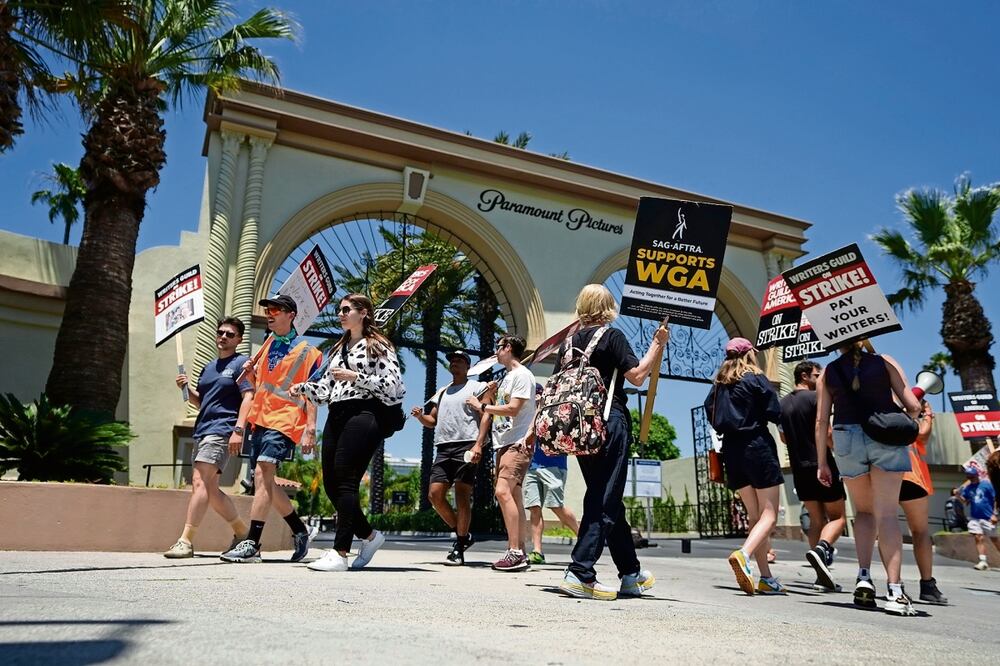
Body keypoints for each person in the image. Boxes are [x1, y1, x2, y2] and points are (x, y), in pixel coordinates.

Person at [554, 284, 667, 601]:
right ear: (608, 307)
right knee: (604, 499)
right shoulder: (611, 336)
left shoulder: (568, 344)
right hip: (609, 421)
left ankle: (630, 573)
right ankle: (580, 571)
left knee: (609, 499)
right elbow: (638, 376)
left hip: (578, 428)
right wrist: (657, 345)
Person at [295, 293, 405, 572]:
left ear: (364, 312)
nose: (340, 314)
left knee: (346, 479)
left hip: (365, 413)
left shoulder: (377, 345)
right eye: (339, 310)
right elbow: (326, 391)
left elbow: (393, 387)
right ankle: (369, 536)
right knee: (331, 483)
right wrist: (303, 388)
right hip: (337, 412)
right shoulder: (337, 349)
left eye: (346, 310)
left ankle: (340, 552)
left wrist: (358, 377)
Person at [816, 340, 920, 616]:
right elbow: (913, 405)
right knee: (886, 514)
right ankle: (895, 591)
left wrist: (822, 462)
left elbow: (821, 421)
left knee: (863, 511)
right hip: (884, 432)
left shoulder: (829, 371)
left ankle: (864, 577)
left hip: (846, 437)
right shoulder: (884, 361)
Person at [220, 295, 321, 564]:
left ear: (291, 315)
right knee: (263, 481)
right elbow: (259, 386)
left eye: (275, 309)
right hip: (260, 419)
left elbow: (312, 392)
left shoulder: (309, 351)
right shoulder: (264, 348)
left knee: (264, 472)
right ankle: (301, 530)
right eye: (267, 310)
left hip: (286, 420)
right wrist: (250, 373)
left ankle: (252, 543)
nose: (270, 314)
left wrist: (311, 428)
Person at [164, 317, 253, 558]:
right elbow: (202, 402)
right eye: (221, 332)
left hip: (222, 430)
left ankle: (186, 541)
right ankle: (243, 533)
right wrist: (186, 389)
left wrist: (238, 430)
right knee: (211, 490)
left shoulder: (241, 363)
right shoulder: (208, 367)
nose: (223, 336)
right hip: (202, 430)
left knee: (199, 482)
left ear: (239, 340)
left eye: (230, 334)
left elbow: (248, 397)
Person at [706, 337, 786, 596]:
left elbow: (711, 413)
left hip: (732, 450)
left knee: (755, 516)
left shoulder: (719, 385)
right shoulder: (755, 377)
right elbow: (775, 411)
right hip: (757, 446)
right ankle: (744, 554)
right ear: (749, 353)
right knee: (770, 514)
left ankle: (766, 577)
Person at [466, 334, 535, 572]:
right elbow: (503, 407)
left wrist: (481, 405)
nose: (496, 352)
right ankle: (520, 551)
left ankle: (515, 552)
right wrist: (492, 396)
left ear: (507, 348)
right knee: (514, 497)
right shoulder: (508, 377)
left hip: (517, 443)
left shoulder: (522, 375)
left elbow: (514, 409)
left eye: (498, 347)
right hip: (504, 443)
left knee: (502, 491)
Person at [411, 350, 487, 565]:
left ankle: (459, 546)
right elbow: (431, 421)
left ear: (467, 366)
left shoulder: (477, 387)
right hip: (443, 447)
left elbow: (486, 417)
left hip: (467, 445)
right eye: (452, 360)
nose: (454, 362)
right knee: (434, 495)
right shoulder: (442, 392)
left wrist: (479, 444)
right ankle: (463, 535)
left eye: (459, 360)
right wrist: (419, 417)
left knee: (462, 495)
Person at [778, 360, 846, 592]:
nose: (821, 379)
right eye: (817, 374)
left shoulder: (782, 404)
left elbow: (784, 438)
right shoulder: (818, 398)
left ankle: (821, 574)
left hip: (799, 469)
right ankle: (822, 549)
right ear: (805, 376)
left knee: (816, 520)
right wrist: (836, 450)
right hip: (822, 463)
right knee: (838, 518)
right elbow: (826, 431)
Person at [524, 383, 579, 565]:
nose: (534, 398)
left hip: (554, 466)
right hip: (533, 466)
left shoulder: (554, 411)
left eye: (537, 395)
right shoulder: (526, 416)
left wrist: (541, 409)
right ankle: (537, 551)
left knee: (556, 505)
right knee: (534, 508)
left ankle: (584, 538)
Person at [898, 400, 947, 602]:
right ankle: (927, 584)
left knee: (884, 526)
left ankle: (894, 583)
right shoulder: (906, 419)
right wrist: (927, 414)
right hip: (910, 477)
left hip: (884, 473)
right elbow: (922, 434)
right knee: (920, 531)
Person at [956, 465, 998, 571]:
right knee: (978, 537)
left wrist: (995, 514)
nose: (971, 478)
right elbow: (965, 502)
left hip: (988, 517)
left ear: (977, 475)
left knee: (995, 540)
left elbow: (995, 499)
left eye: (972, 476)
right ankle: (982, 561)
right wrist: (958, 496)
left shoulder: (986, 485)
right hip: (975, 517)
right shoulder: (968, 488)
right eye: (969, 476)